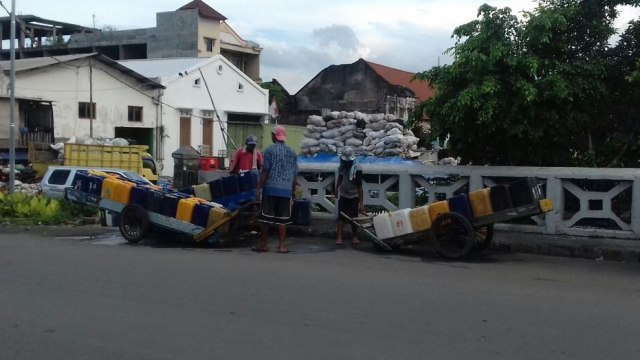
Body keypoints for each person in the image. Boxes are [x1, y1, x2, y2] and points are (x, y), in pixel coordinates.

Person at [253, 125, 298, 253]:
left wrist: (258, 188)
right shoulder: (292, 152)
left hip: (271, 188)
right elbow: (294, 175)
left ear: (274, 135)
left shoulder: (269, 150)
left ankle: (264, 244)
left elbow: (264, 171)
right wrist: (293, 191)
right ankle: (282, 246)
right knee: (283, 219)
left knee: (265, 218)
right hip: (286, 190)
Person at [335, 146, 364, 246]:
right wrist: (336, 188)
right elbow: (340, 176)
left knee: (353, 217)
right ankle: (339, 237)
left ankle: (355, 237)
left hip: (354, 195)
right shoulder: (342, 166)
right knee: (341, 216)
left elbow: (360, 187)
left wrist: (361, 203)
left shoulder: (358, 168)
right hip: (343, 193)